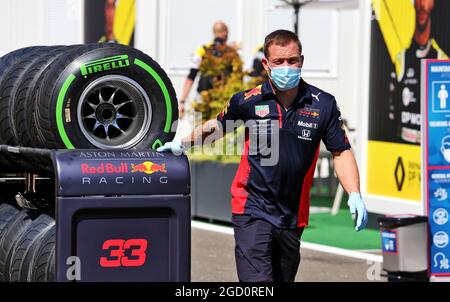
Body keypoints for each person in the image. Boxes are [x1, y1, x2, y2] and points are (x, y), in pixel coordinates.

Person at [158, 29, 368, 282]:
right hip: (251, 206)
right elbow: (217, 128)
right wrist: (182, 144)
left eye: (292, 60)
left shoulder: (323, 104)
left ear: (302, 60)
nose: (287, 67)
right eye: (279, 62)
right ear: (266, 64)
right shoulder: (248, 101)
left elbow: (340, 151)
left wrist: (354, 193)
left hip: (292, 214)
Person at [388, 0, 448, 144]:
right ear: (413, 3)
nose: (422, 5)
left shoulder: (442, 59)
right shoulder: (400, 57)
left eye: (426, 0)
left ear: (433, 4)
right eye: (418, 0)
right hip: (404, 144)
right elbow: (391, 115)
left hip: (432, 147)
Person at [178, 21, 232, 118]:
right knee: (221, 130)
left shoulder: (202, 50)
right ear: (225, 33)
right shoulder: (231, 52)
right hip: (221, 100)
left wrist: (182, 100)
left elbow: (191, 75)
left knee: (199, 129)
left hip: (202, 97)